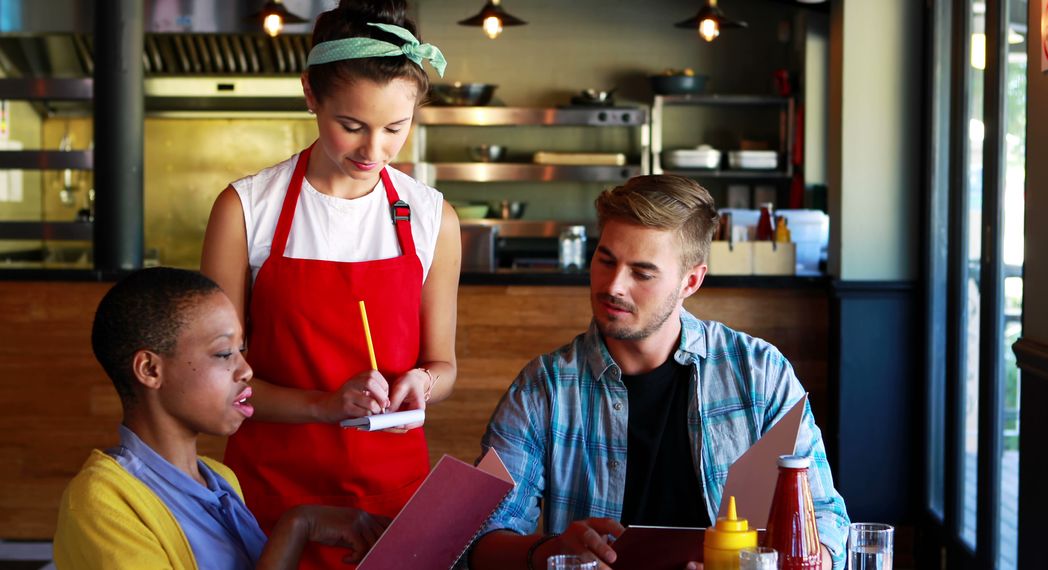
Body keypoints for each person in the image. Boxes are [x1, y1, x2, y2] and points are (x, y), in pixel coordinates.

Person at [469, 175, 850, 570]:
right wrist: (548, 553)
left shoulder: (760, 375)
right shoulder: (542, 388)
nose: (614, 284)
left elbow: (825, 519)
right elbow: (481, 541)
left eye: (642, 273)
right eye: (605, 260)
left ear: (691, 281)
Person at [200, 1, 460, 566]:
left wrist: (420, 383)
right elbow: (216, 381)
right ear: (311, 95)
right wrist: (324, 406)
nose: (374, 152)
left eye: (396, 128)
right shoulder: (246, 210)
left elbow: (444, 367)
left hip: (389, 502)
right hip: (270, 499)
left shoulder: (432, 217)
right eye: (351, 126)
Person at [54, 267, 388, 569]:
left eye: (242, 350)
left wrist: (304, 522)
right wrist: (296, 528)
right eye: (224, 353)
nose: (246, 370)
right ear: (151, 369)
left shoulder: (220, 478)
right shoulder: (99, 501)